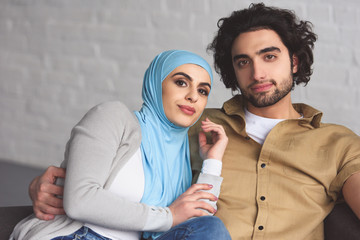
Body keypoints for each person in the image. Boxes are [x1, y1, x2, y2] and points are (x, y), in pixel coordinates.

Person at [26, 3, 360, 239]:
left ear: (295, 62)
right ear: (232, 71)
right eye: (243, 61)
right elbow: (107, 171)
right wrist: (45, 187)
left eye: (270, 56)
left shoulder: (338, 144)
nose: (257, 73)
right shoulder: (197, 126)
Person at [10, 50, 231, 240]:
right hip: (79, 235)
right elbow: (80, 200)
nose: (193, 96)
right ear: (156, 83)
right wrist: (168, 216)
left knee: (212, 227)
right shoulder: (113, 117)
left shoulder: (185, 154)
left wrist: (212, 161)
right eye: (181, 82)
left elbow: (199, 223)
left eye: (203, 91)